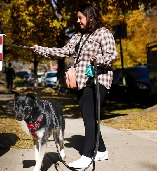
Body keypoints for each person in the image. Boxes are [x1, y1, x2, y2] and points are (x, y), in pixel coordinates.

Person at [30, 3, 117, 169]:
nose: (78, 21)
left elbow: (112, 55)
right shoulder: (78, 36)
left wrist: (98, 60)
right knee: (88, 116)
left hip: (99, 80)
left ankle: (87, 155)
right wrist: (40, 49)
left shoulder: (103, 33)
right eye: (77, 18)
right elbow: (63, 51)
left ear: (90, 17)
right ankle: (102, 150)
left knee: (89, 116)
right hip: (82, 82)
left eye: (80, 18)